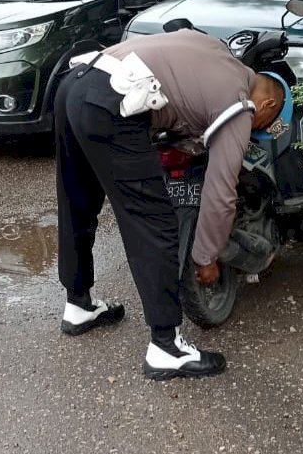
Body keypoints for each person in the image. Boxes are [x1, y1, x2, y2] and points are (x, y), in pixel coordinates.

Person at [55, 28, 285, 380]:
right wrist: (205, 257)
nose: (260, 129)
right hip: (111, 102)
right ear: (267, 105)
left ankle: (78, 303)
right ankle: (166, 347)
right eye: (268, 124)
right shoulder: (239, 105)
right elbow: (220, 191)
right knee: (154, 222)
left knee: (78, 199)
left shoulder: (215, 49)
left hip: (75, 82)